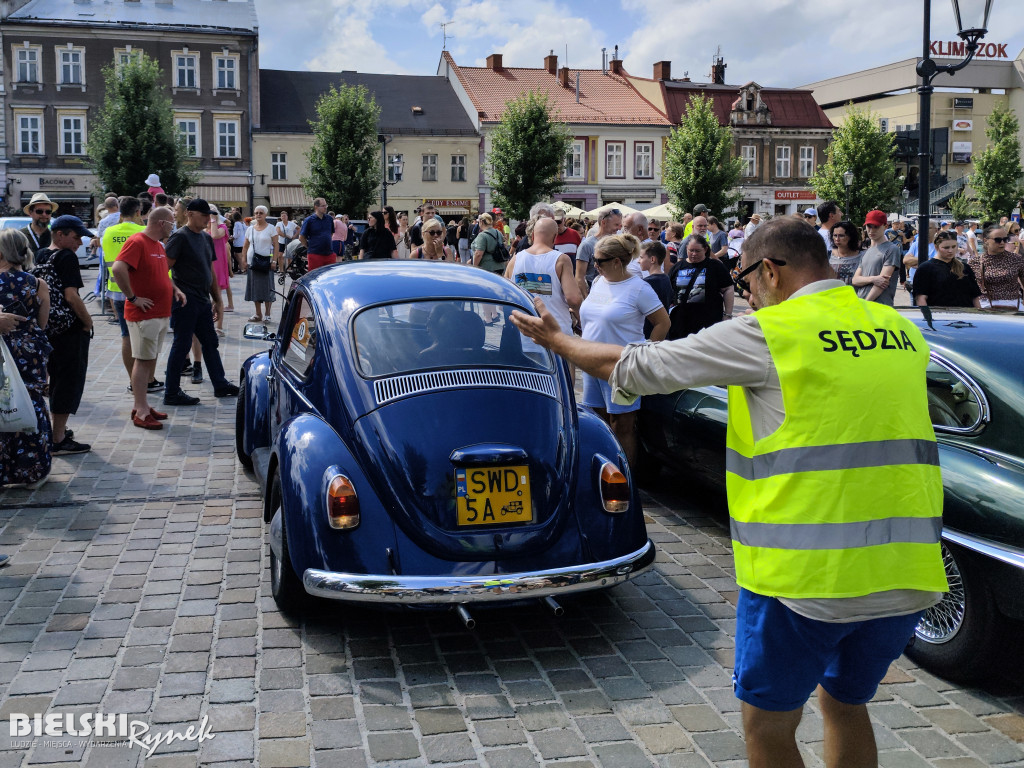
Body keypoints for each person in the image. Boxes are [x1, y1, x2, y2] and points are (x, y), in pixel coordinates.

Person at [509, 216, 947, 768]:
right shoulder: (899, 329)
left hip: (806, 578)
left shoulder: (772, 332)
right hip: (908, 572)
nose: (746, 297)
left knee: (766, 727)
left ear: (769, 270)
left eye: (743, 284)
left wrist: (556, 340)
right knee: (845, 704)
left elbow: (638, 365)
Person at [577, 234, 669, 468]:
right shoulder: (599, 282)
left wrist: (645, 352)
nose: (594, 266)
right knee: (597, 423)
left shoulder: (638, 288)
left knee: (621, 425)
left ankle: (625, 480)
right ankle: (600, 473)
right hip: (592, 363)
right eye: (594, 260)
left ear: (617, 262)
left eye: (599, 261)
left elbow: (663, 322)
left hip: (621, 366)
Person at [112, 206, 184, 429]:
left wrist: (174, 289)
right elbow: (118, 268)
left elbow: (162, 274)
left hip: (160, 312)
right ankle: (141, 410)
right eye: (172, 222)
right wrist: (133, 298)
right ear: (162, 223)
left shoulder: (158, 245)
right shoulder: (138, 241)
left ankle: (142, 405)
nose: (174, 226)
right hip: (144, 313)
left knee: (149, 360)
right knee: (142, 361)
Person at [162, 199, 239, 406]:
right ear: (190, 213)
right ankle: (171, 392)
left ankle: (220, 384)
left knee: (210, 342)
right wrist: (175, 290)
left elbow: (211, 270)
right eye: (204, 215)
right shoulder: (179, 237)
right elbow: (162, 269)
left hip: (203, 300)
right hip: (185, 300)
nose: (208, 219)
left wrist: (217, 299)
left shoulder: (205, 238)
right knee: (182, 344)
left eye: (210, 215)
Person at [0, 228, 52, 489]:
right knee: (31, 402)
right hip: (28, 351)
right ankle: (34, 470)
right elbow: (41, 324)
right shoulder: (37, 283)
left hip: (1, 353)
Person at [506, 218, 582, 370]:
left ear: (532, 236)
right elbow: (573, 299)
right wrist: (581, 320)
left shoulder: (515, 259)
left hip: (524, 333)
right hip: (556, 333)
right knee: (563, 383)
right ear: (555, 237)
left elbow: (505, 294)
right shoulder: (561, 260)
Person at [101, 197, 148, 388]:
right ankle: (146, 380)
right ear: (138, 213)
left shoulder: (108, 232)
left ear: (120, 213)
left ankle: (132, 380)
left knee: (126, 336)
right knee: (144, 338)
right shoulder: (143, 232)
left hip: (116, 291)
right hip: (139, 293)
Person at [666, 234, 734, 340]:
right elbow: (669, 292)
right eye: (690, 250)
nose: (693, 254)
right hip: (680, 323)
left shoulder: (715, 266)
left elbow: (728, 288)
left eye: (697, 251)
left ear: (705, 249)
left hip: (708, 324)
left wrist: (728, 315)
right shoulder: (677, 267)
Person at [912, 231, 982, 308]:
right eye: (946, 247)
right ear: (936, 247)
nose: (950, 251)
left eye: (953, 246)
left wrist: (979, 315)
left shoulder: (965, 267)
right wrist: (927, 317)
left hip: (966, 315)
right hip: (939, 316)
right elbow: (921, 298)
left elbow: (975, 297)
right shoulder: (926, 268)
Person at [852, 210, 903, 305]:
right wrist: (873, 279)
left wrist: (865, 303)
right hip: (863, 305)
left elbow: (882, 283)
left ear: (885, 226)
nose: (871, 230)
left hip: (880, 306)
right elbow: (855, 280)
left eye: (876, 227)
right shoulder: (867, 251)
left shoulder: (892, 249)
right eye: (869, 226)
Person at [969, 224, 1024, 311]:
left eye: (1005, 239)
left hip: (1013, 306)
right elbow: (970, 290)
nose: (1002, 243)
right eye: (997, 240)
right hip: (986, 307)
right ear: (986, 240)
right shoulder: (975, 262)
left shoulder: (1016, 259)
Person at [242, 206, 279, 323]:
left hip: (266, 262)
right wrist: (243, 260)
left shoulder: (271, 228)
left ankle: (268, 313)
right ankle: (258, 313)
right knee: (254, 288)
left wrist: (274, 261)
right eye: (256, 213)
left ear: (265, 214)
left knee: (268, 287)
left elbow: (276, 245)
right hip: (252, 262)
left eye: (261, 213)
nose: (258, 215)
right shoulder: (250, 229)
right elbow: (245, 246)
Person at [576, 208, 622, 296]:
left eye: (620, 225)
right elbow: (579, 277)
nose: (618, 228)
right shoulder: (587, 245)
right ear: (604, 222)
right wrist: (587, 300)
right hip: (594, 295)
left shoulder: (618, 243)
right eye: (616, 224)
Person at [639, 240, 672, 339]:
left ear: (652, 259)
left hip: (650, 333)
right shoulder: (666, 278)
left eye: (641, 257)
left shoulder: (647, 283)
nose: (638, 261)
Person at [208, 204, 233, 327]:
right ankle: (208, 321)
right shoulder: (201, 229)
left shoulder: (222, 227)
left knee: (217, 295)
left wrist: (213, 219)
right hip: (205, 263)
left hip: (217, 264)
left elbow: (214, 235)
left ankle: (219, 326)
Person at [299, 198, 335, 270]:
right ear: (316, 207)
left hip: (329, 254)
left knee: (330, 278)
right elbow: (301, 237)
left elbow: (331, 233)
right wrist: (309, 246)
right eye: (323, 206)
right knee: (315, 278)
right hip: (315, 254)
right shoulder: (309, 220)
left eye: (326, 205)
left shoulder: (329, 219)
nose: (325, 207)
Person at [828, 221, 863, 286]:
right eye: (835, 235)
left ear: (850, 237)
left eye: (841, 236)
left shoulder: (862, 256)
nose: (837, 239)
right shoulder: (828, 256)